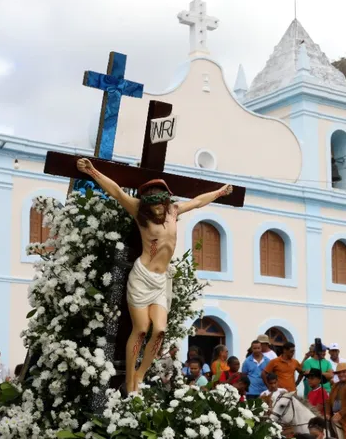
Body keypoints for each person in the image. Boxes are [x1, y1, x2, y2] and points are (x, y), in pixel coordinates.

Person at [75, 158, 232, 390]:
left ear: (166, 201)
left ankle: (140, 374)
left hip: (161, 280)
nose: (157, 209)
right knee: (140, 329)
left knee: (159, 331)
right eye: (152, 206)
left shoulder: (174, 210)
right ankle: (130, 382)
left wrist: (220, 192)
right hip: (142, 277)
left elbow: (198, 201)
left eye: (160, 204)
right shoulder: (140, 211)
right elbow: (117, 192)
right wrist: (91, 171)